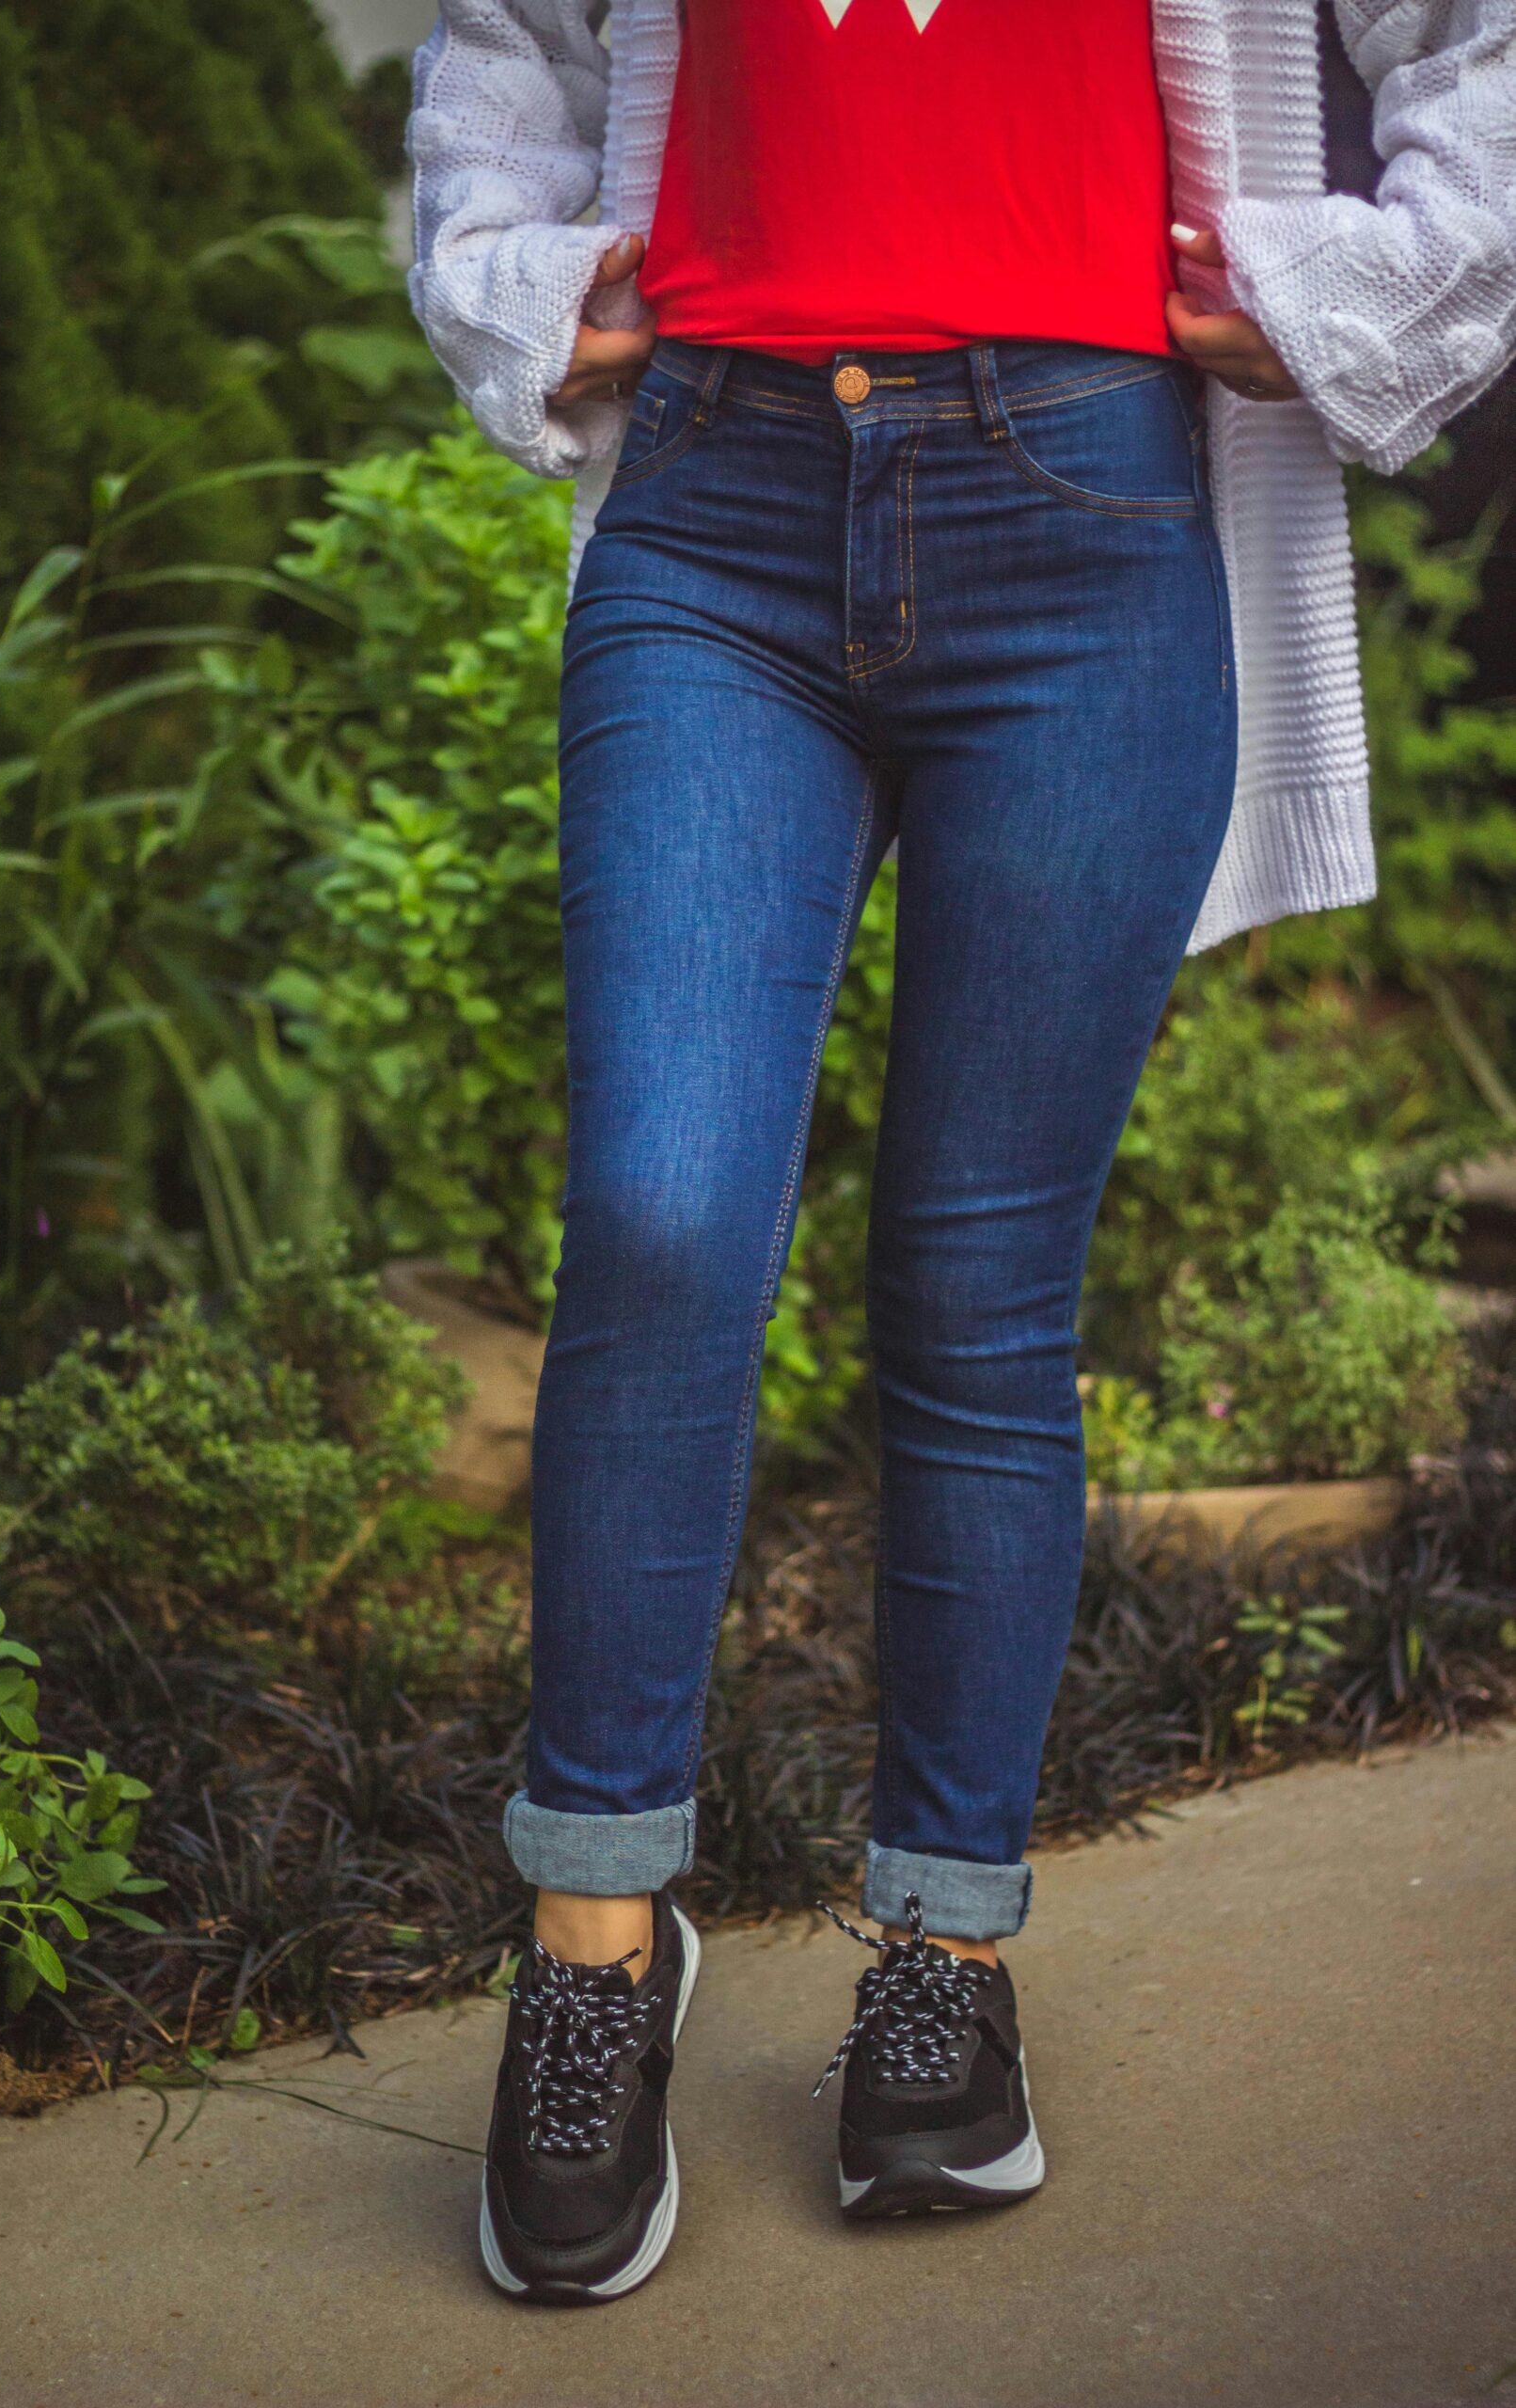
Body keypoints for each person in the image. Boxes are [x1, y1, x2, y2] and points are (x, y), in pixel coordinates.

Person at [407, 0, 1516, 2303]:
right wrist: (512, 263)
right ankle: (597, 1940)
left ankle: (942, 1948)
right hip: (711, 512)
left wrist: (1347, 280)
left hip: (1091, 513)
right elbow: (502, 33)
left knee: (978, 1276)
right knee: (659, 1214)